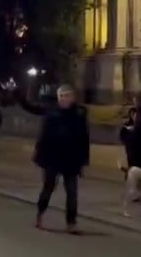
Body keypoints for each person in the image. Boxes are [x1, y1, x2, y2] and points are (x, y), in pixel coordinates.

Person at [21, 84, 90, 233]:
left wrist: (84, 160)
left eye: (67, 95)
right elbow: (31, 108)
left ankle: (71, 223)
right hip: (51, 157)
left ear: (73, 97)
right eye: (61, 96)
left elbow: (84, 137)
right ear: (58, 97)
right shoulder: (50, 110)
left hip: (71, 158)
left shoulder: (79, 113)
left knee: (72, 193)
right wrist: (17, 95)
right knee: (48, 188)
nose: (64, 99)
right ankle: (40, 214)